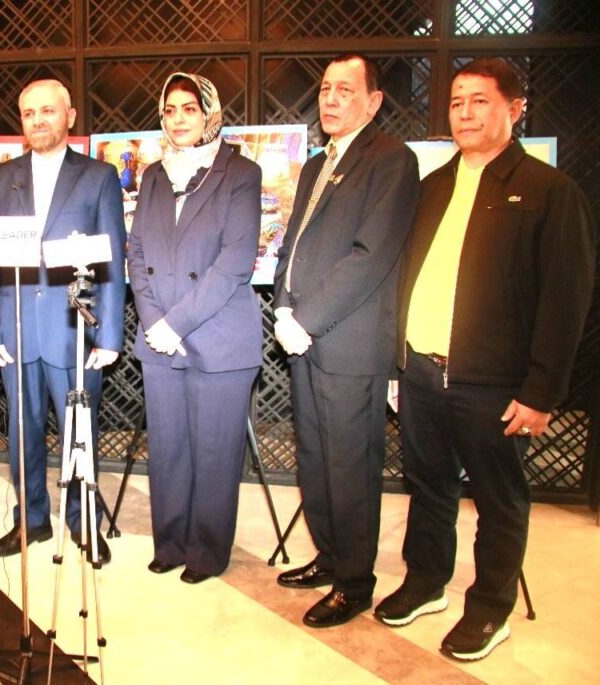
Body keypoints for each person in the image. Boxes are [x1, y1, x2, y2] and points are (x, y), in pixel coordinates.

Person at [376, 57, 596, 660]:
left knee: (499, 500)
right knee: (429, 485)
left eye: (480, 101)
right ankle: (425, 582)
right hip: (422, 370)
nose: (465, 113)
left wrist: (542, 392)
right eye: (456, 102)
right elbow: (406, 278)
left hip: (495, 384)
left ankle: (490, 609)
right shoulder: (433, 186)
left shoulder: (550, 192)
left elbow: (566, 301)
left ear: (515, 109)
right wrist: (399, 363)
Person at [271, 54, 420, 626]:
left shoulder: (391, 160)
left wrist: (305, 319)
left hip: (349, 341)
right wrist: (283, 304)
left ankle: (355, 583)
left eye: (345, 90)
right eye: (325, 89)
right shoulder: (317, 163)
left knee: (350, 467)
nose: (330, 99)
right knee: (315, 458)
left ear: (374, 101)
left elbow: (369, 255)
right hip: (304, 337)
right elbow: (294, 245)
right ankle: (329, 557)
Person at [0, 79, 126, 563]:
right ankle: (31, 519)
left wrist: (109, 333)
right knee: (22, 433)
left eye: (48, 111)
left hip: (74, 330)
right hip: (16, 331)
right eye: (29, 113)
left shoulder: (98, 176)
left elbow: (113, 259)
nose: (38, 120)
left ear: (70, 116)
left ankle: (83, 523)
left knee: (79, 432)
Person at [127, 73, 263, 584]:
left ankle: (206, 552)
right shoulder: (153, 176)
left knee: (213, 452)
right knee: (168, 449)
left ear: (210, 112)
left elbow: (235, 262)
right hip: (159, 336)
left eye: (189, 108)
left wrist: (177, 323)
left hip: (218, 336)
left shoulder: (241, 172)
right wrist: (153, 321)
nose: (178, 118)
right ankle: (170, 543)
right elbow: (136, 252)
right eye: (170, 110)